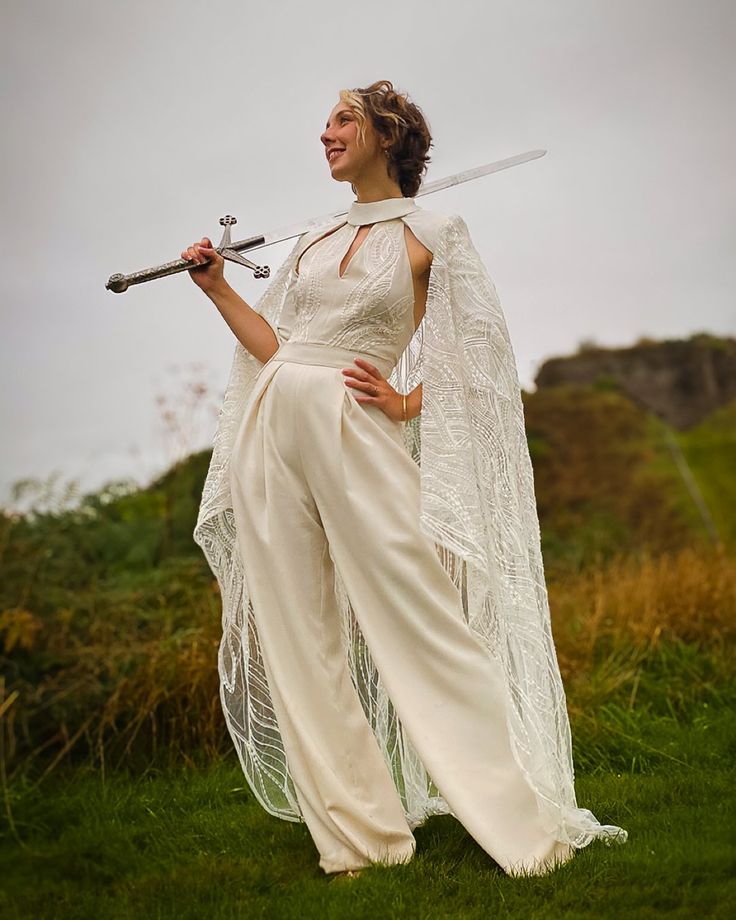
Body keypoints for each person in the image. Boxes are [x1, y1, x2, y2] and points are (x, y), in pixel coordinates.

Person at [185, 79, 628, 880]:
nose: (325, 133)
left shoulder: (436, 231)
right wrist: (219, 289)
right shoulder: (314, 239)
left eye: (342, 119)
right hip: (272, 428)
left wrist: (404, 401)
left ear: (387, 134)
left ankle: (519, 823)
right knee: (299, 636)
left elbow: (480, 359)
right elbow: (277, 346)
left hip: (356, 431)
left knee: (421, 618)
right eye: (324, 122)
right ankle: (360, 838)